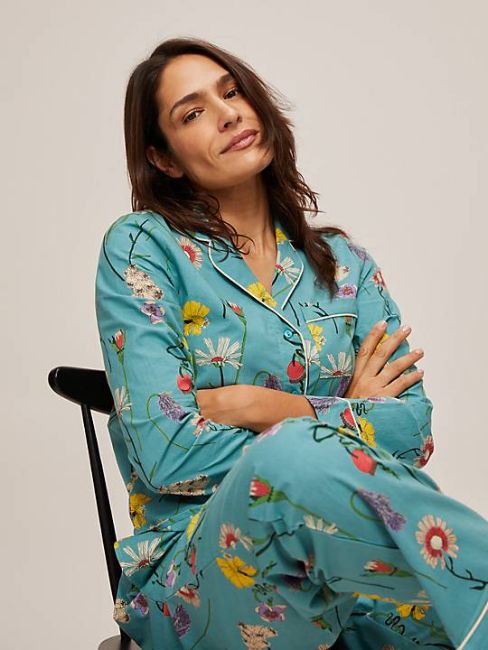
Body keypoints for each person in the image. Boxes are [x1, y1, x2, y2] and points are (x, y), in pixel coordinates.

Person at [95, 37, 488, 649]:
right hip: (199, 579)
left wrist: (266, 406)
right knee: (291, 456)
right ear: (164, 158)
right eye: (192, 113)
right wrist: (338, 419)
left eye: (232, 92)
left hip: (353, 583)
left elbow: (413, 435)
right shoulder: (144, 249)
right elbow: (167, 452)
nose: (228, 113)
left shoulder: (346, 264)